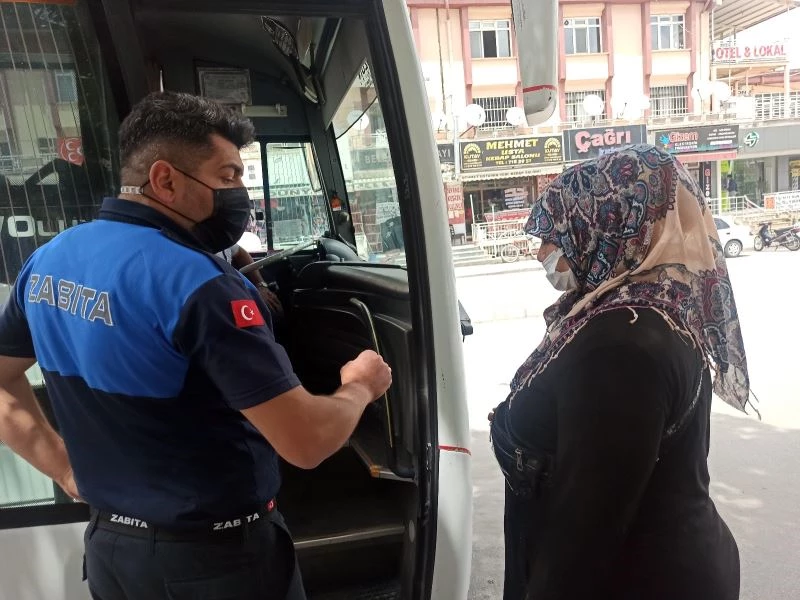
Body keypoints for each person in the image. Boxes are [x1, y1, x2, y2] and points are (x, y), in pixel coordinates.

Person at [0, 91, 391, 600]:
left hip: (112, 553)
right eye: (228, 176)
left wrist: (63, 468)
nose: (240, 192)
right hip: (216, 564)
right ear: (165, 180)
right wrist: (359, 387)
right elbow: (307, 442)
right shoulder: (200, 286)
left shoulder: (50, 260)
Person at [489, 145, 753, 600]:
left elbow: (582, 540)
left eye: (556, 233)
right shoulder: (644, 310)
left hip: (641, 578)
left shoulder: (622, 346)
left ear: (609, 223)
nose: (542, 253)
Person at [219, 243, 283, 317]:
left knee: (274, 307)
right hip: (222, 298)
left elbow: (240, 253)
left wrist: (260, 285)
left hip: (231, 290)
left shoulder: (225, 241)